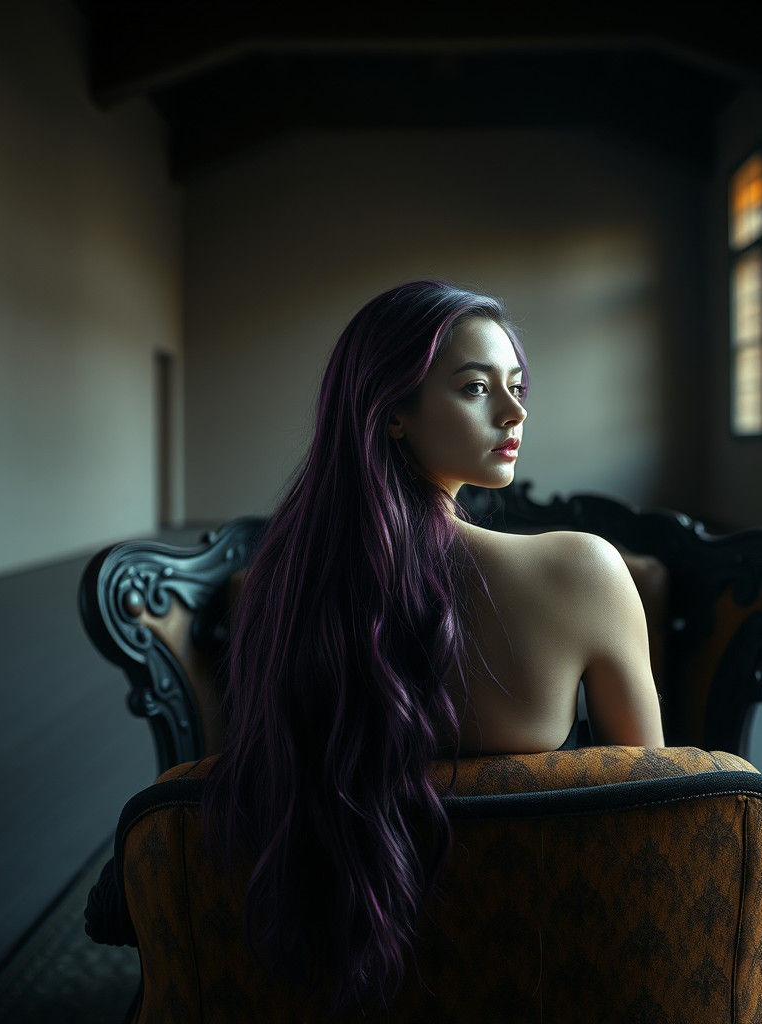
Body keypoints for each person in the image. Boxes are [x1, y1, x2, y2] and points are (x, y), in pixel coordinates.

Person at [199, 280, 665, 1017]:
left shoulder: (283, 591)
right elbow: (658, 807)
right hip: (545, 962)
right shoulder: (583, 573)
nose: (514, 412)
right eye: (476, 388)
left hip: (326, 971)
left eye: (516, 387)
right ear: (392, 413)